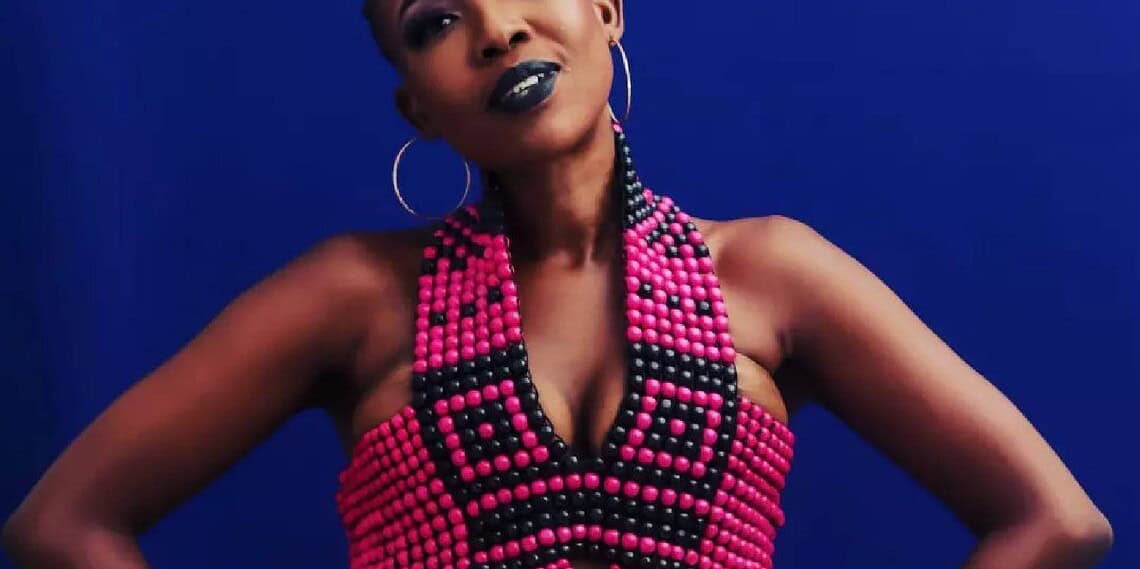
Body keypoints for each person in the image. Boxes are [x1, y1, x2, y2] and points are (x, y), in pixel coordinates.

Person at [2, 1, 1114, 568]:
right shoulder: (358, 296)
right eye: (435, 23)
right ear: (418, 106)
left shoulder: (770, 275)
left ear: (608, 8)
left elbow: (1055, 522)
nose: (496, 29)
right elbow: (62, 523)